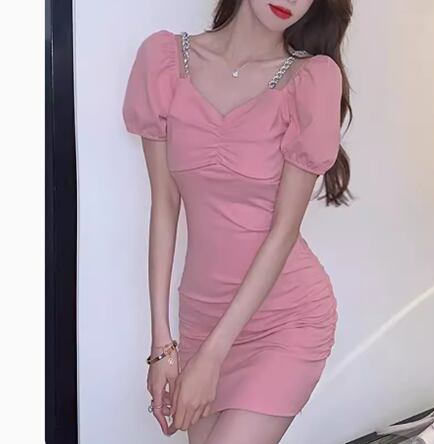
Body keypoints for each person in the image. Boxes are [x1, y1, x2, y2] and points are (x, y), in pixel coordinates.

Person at [122, 0, 353, 442]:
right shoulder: (164, 62)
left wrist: (213, 356)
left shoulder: (311, 79)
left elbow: (284, 231)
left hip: (284, 321)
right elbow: (165, 205)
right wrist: (162, 345)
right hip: (202, 318)